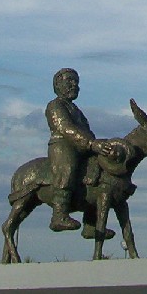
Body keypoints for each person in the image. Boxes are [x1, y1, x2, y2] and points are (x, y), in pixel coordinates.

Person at [45, 68, 118, 232]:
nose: (74, 85)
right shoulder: (55, 105)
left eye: (76, 82)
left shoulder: (76, 110)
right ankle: (59, 215)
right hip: (63, 145)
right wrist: (91, 144)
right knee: (67, 168)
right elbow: (65, 128)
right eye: (70, 81)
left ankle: (91, 225)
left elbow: (86, 129)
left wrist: (98, 145)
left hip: (82, 146)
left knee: (97, 175)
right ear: (58, 84)